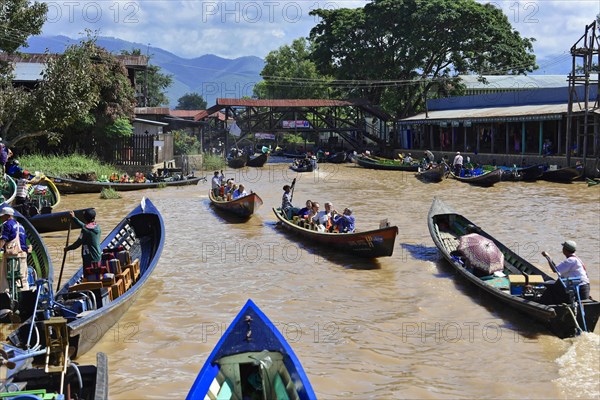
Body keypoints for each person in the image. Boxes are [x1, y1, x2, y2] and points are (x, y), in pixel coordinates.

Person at [540, 240, 590, 305]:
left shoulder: (570, 260)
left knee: (549, 290)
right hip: (584, 287)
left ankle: (543, 306)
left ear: (564, 250)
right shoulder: (577, 259)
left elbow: (555, 270)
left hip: (579, 289)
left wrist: (548, 257)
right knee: (558, 283)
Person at [65, 209, 102, 280]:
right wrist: (74, 218)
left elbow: (77, 244)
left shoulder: (85, 230)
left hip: (89, 259)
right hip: (97, 257)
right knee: (97, 276)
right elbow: (84, 226)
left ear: (85, 218)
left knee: (89, 278)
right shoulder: (97, 227)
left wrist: (67, 248)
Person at [0, 207, 30, 293]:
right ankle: (25, 296)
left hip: (12, 255)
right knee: (22, 278)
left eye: (2, 216)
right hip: (23, 254)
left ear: (8, 216)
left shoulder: (7, 224)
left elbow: (3, 240)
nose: (1, 218)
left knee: (4, 278)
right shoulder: (21, 226)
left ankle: (4, 295)